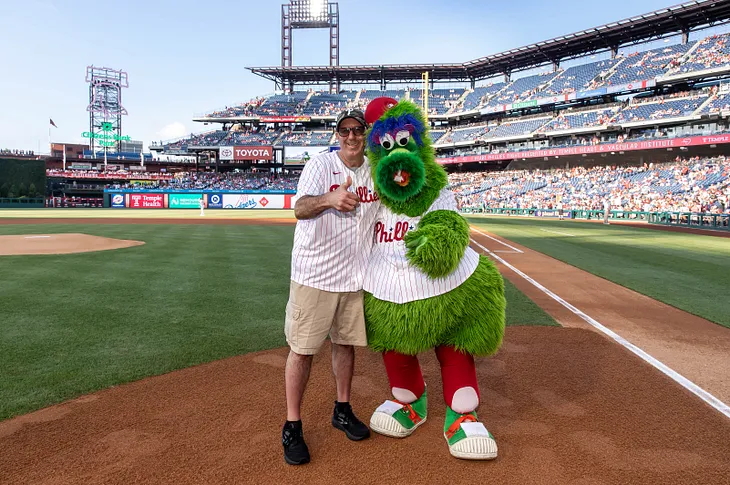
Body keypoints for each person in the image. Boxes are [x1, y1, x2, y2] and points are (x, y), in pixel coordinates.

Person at [282, 108, 381, 466]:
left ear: (366, 133)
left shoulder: (374, 172)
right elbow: (300, 208)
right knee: (303, 350)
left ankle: (342, 408)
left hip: (353, 277)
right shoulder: (320, 165)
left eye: (358, 130)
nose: (352, 136)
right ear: (337, 134)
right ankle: (292, 424)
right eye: (345, 130)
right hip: (315, 275)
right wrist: (329, 199)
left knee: (346, 345)